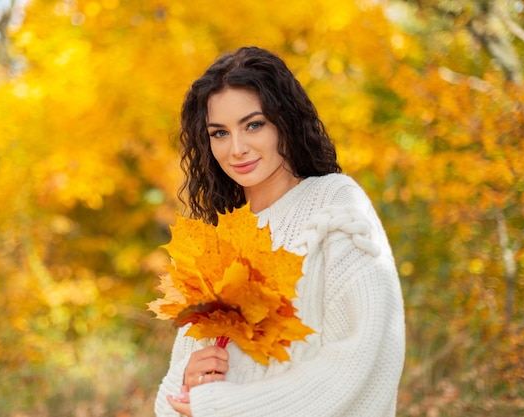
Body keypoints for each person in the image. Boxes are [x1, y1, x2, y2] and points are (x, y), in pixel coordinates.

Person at [154, 46, 405, 417]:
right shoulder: (223, 234)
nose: (237, 149)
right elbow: (179, 391)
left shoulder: (336, 207)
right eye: (219, 133)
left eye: (253, 125)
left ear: (283, 121)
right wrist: (186, 384)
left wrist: (224, 408)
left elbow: (361, 360)